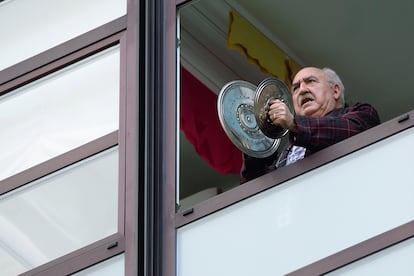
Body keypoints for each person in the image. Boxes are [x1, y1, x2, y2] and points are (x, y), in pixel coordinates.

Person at [240, 66, 381, 183]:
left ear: (336, 90)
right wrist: (256, 138)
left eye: (311, 81)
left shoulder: (363, 113)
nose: (302, 90)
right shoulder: (288, 149)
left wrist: (294, 123)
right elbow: (256, 184)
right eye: (295, 88)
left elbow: (348, 130)